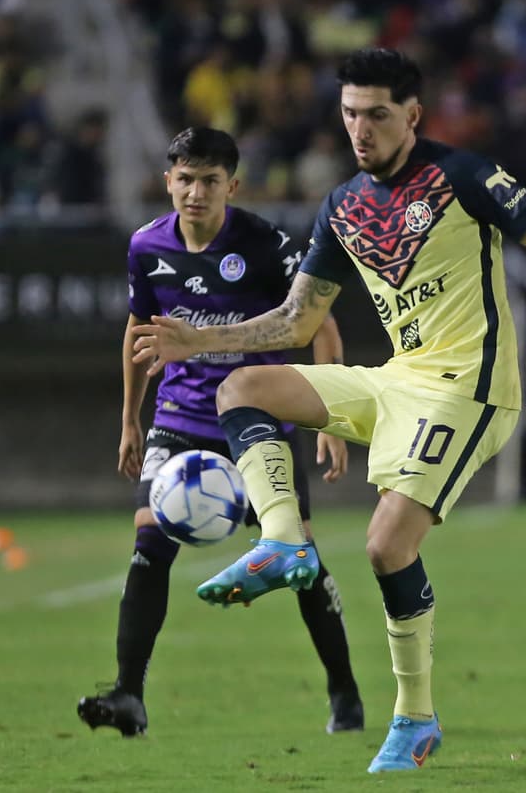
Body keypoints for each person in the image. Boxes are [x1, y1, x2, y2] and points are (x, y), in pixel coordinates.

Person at [129, 47, 526, 772]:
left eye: (376, 114)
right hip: (398, 379)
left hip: (467, 387)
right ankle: (284, 541)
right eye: (350, 114)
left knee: (386, 547)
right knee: (241, 389)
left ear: (412, 114)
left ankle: (415, 717)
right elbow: (296, 322)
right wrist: (198, 339)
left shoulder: (462, 176)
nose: (360, 128)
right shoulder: (343, 205)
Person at [77, 127, 363, 738]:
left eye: (209, 181)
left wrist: (331, 419)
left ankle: (344, 691)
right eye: (185, 179)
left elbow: (322, 328)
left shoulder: (266, 245)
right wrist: (130, 418)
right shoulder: (146, 247)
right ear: (168, 182)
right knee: (148, 542)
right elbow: (139, 333)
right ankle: (128, 694)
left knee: (299, 559)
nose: (196, 192)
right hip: (178, 419)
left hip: (258, 422)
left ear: (232, 186)